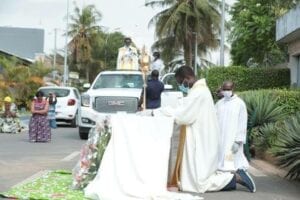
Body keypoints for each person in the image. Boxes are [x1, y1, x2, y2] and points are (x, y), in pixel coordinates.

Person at [159, 66, 256, 193]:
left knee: (199, 183)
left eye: (181, 82)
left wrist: (163, 111)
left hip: (202, 141)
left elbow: (185, 115)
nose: (181, 86)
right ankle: (231, 177)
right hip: (204, 137)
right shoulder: (200, 92)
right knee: (195, 179)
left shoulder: (200, 92)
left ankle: (235, 178)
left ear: (187, 78)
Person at [215, 81, 249, 171]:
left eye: (228, 89)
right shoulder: (219, 104)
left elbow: (242, 123)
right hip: (221, 138)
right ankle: (225, 182)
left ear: (233, 89)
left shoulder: (239, 104)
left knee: (232, 163)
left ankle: (238, 180)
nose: (226, 91)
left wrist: (238, 141)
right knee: (221, 163)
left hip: (233, 140)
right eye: (224, 89)